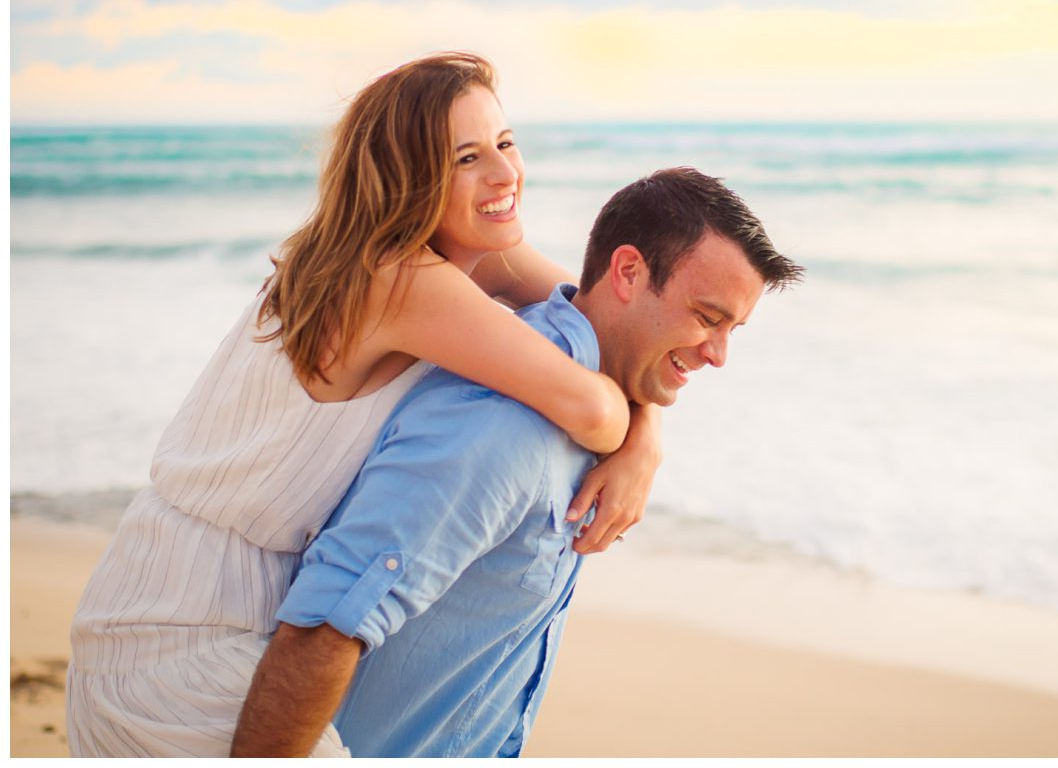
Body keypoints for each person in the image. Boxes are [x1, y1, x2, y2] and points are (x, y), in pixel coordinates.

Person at [66, 52, 665, 757]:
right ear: (410, 178)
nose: (505, 175)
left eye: (505, 142)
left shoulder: (447, 252)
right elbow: (594, 407)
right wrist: (633, 436)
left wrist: (648, 438)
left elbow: (608, 338)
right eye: (465, 158)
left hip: (184, 590)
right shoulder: (402, 278)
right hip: (182, 630)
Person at [229, 167, 802, 757]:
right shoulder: (502, 430)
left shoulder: (600, 391)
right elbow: (322, 630)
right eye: (708, 318)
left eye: (733, 328)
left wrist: (644, 432)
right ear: (628, 272)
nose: (719, 354)